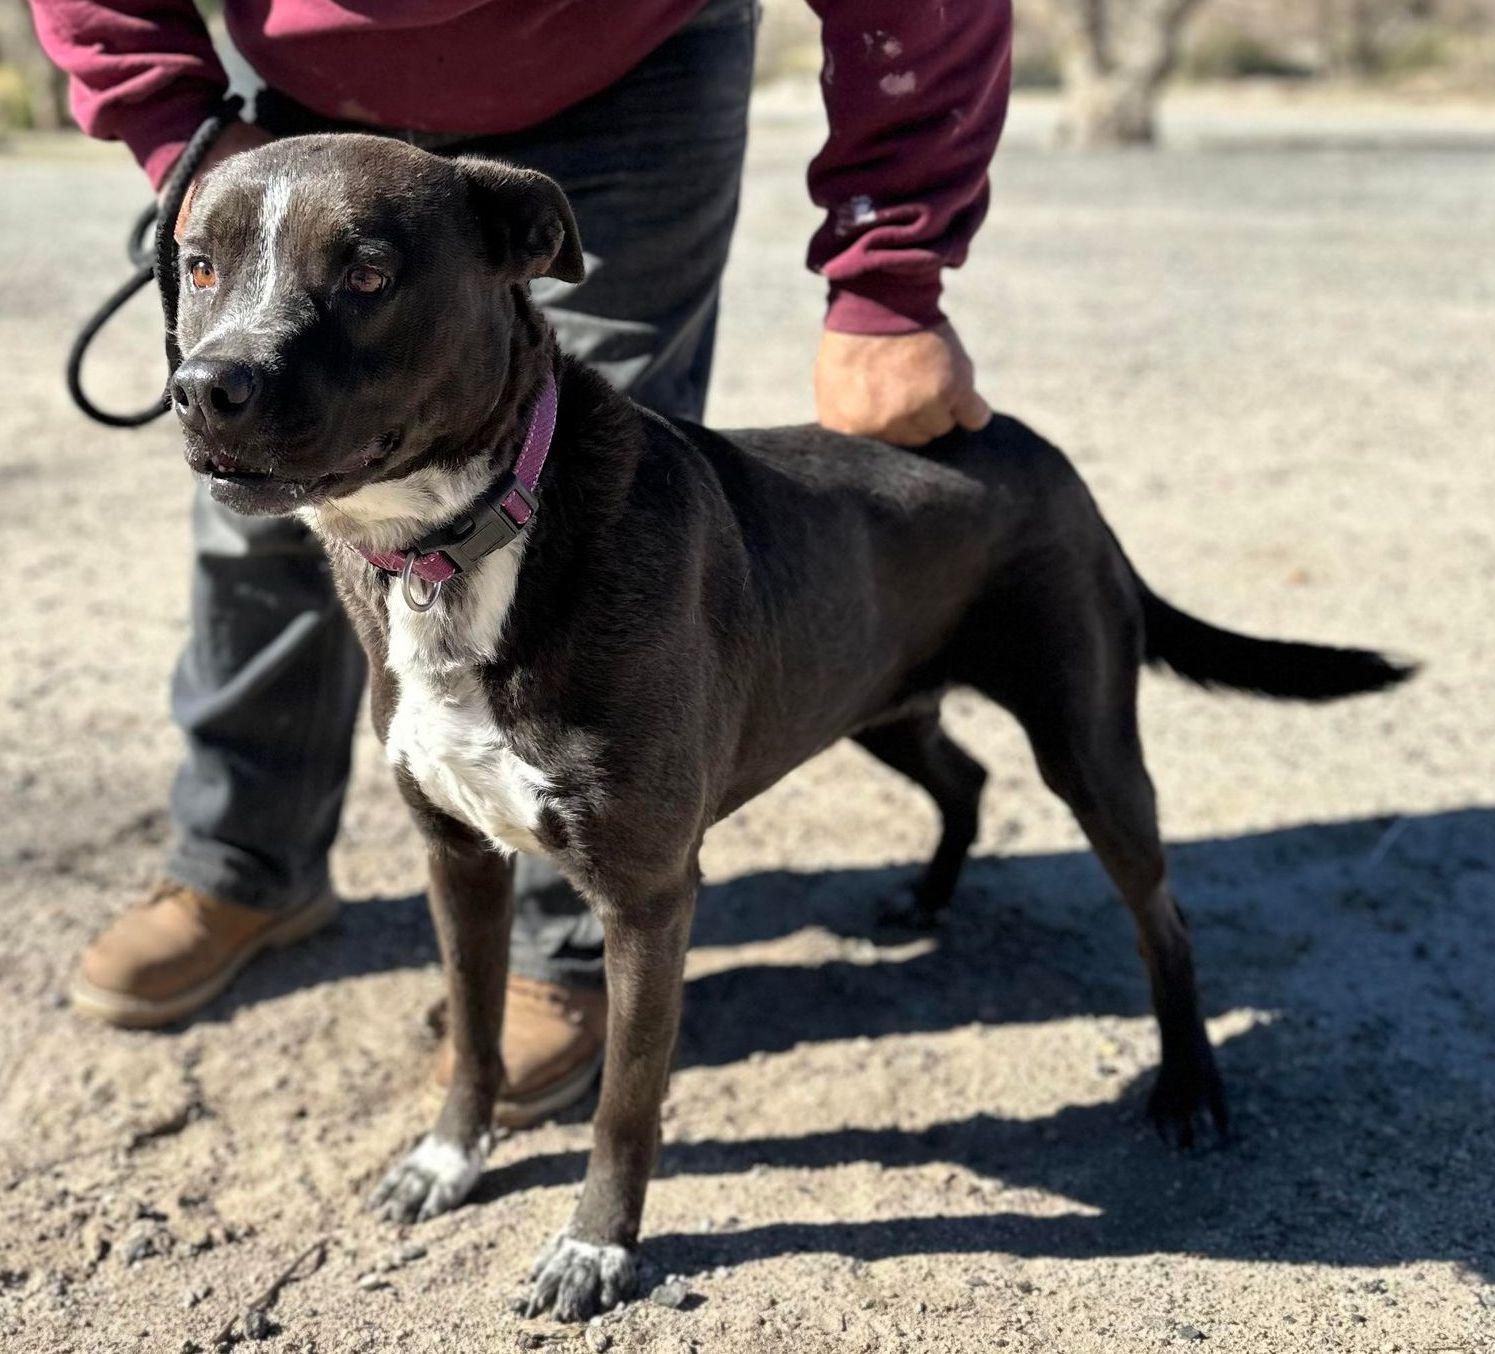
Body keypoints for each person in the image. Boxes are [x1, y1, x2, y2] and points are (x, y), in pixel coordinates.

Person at [29, 0, 1011, 1123]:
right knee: (265, 477)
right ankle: (242, 861)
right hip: (302, 95)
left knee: (612, 492)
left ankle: (572, 930)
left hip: (629, 65)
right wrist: (173, 120)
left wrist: (890, 269)